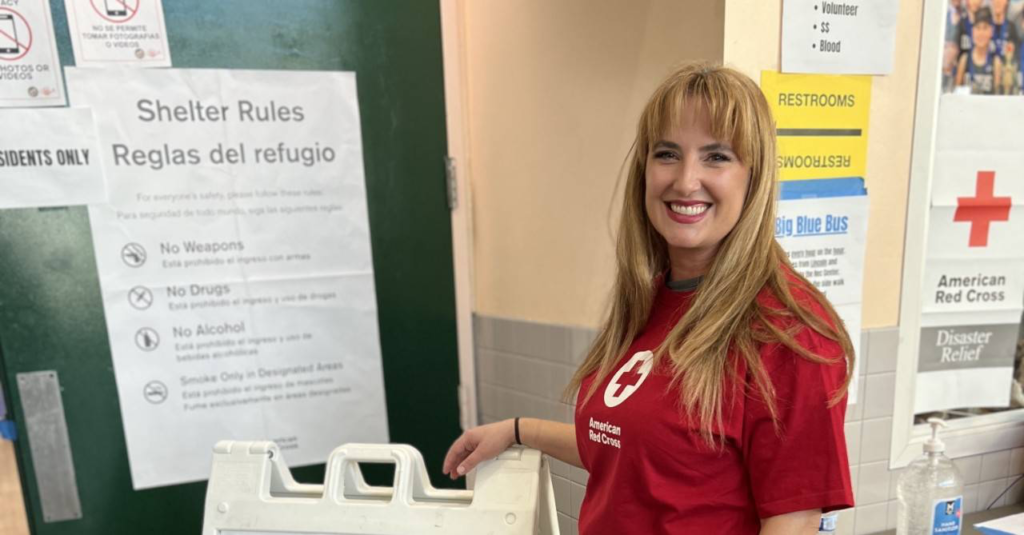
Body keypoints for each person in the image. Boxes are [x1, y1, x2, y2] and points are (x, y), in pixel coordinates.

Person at [443, 63, 855, 534]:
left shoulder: (788, 332)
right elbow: (632, 446)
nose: (684, 181)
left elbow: (792, 525)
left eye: (716, 156)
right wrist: (517, 431)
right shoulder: (653, 300)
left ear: (754, 177)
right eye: (667, 154)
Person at [956, 7, 1004, 94]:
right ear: (972, 31)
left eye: (985, 28)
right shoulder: (965, 60)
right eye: (978, 28)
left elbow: (998, 98)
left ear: (991, 31)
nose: (981, 33)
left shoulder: (996, 62)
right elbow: (955, 94)